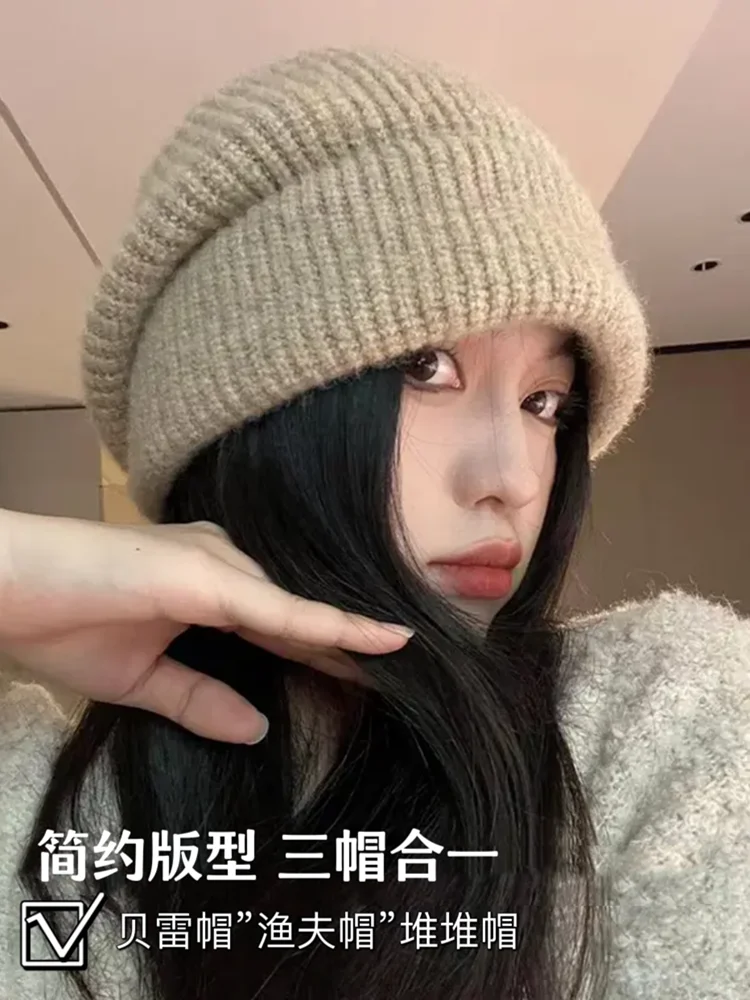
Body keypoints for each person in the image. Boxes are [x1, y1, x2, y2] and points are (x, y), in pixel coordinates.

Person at [0, 47, 747, 1000]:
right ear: (246, 427)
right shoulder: (48, 806)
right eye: (426, 368)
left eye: (546, 402)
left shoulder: (663, 717)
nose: (514, 479)